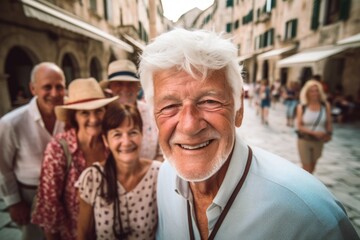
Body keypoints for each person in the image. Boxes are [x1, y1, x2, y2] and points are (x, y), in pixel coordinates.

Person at [138, 28, 359, 239]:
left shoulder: (311, 217)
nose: (189, 125)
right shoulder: (164, 178)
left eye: (209, 101)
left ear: (239, 109)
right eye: (169, 106)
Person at [31, 78, 118, 240]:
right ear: (74, 116)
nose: (93, 119)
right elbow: (50, 209)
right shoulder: (58, 148)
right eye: (85, 112)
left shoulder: (112, 143)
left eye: (99, 110)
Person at [76, 103, 162, 240]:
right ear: (106, 140)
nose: (126, 142)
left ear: (142, 134)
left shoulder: (159, 174)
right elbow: (83, 234)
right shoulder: (93, 178)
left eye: (133, 132)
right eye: (117, 135)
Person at [0, 62, 66, 240]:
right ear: (33, 88)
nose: (54, 93)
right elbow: (3, 167)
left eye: (59, 87)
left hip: (66, 193)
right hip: (30, 196)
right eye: (47, 87)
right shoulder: (11, 123)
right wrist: (14, 202)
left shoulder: (70, 115)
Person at [100, 59, 163, 161]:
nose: (125, 88)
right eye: (119, 83)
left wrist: (149, 172)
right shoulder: (103, 115)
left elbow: (162, 150)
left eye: (130, 83)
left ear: (138, 87)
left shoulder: (151, 111)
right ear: (110, 87)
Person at [296, 80, 333, 174]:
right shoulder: (302, 107)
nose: (315, 93)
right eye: (312, 91)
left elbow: (329, 122)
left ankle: (306, 185)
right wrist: (314, 133)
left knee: (312, 168)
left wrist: (329, 134)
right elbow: (299, 126)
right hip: (304, 140)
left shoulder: (326, 106)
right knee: (306, 169)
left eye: (317, 90)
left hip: (319, 141)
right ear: (307, 93)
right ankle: (304, 187)